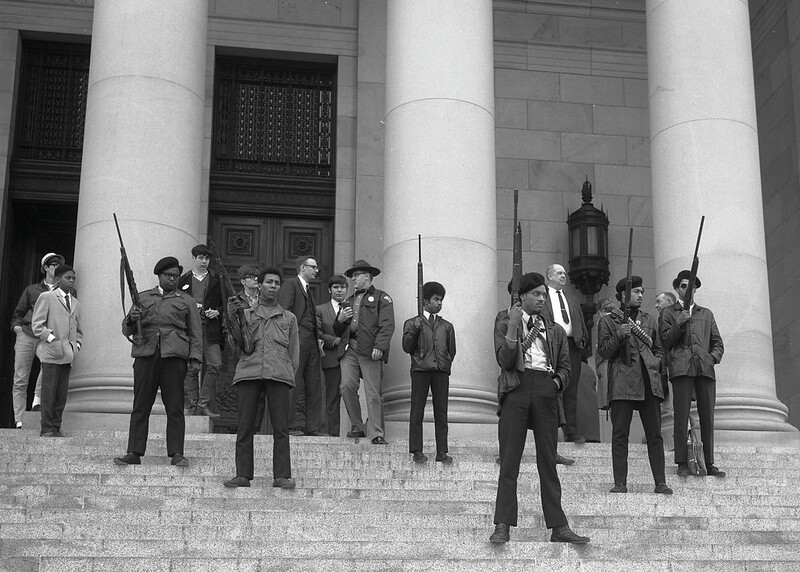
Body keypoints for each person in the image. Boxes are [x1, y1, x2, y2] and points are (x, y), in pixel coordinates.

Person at [489, 272, 589, 545]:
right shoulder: (504, 321)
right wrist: (512, 325)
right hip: (516, 387)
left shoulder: (554, 329)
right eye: (536, 294)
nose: (542, 299)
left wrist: (556, 383)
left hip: (546, 388)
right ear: (522, 296)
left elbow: (566, 367)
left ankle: (559, 526)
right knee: (509, 460)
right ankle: (502, 525)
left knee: (548, 460)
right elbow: (505, 359)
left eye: (544, 295)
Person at [113, 256, 202, 468]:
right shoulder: (142, 298)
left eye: (175, 276)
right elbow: (127, 330)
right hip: (147, 354)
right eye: (168, 276)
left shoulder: (186, 301)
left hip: (174, 356)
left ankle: (177, 453)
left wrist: (196, 358)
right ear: (159, 276)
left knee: (175, 407)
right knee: (141, 405)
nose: (172, 279)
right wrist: (132, 319)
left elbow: (196, 333)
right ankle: (134, 451)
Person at [223, 267, 299, 489]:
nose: (273, 286)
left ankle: (282, 476)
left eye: (277, 283)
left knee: (281, 429)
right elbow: (235, 346)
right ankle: (243, 475)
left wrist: (288, 374)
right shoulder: (245, 315)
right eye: (268, 282)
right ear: (259, 285)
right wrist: (231, 317)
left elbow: (294, 353)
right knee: (245, 426)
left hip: (279, 375)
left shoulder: (289, 318)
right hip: (250, 372)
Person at [597, 277, 672, 495]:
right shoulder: (609, 321)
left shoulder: (649, 320)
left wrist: (657, 362)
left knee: (655, 435)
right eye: (636, 291)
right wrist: (619, 336)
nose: (641, 295)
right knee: (620, 434)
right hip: (623, 381)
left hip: (649, 380)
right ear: (623, 295)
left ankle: (660, 482)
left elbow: (659, 349)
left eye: (642, 291)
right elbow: (603, 352)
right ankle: (620, 482)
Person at [660, 270, 725, 478]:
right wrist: (679, 322)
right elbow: (665, 342)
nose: (688, 289)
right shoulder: (668, 313)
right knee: (681, 416)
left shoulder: (706, 313)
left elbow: (718, 343)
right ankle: (681, 462)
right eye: (683, 286)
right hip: (681, 369)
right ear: (677, 288)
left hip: (704, 369)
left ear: (695, 289)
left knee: (708, 417)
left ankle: (709, 462)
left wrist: (711, 358)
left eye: (691, 286)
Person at [333, 259, 395, 445]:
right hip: (349, 347)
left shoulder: (381, 298)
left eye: (356, 275)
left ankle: (376, 432)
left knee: (373, 391)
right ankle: (358, 426)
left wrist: (380, 346)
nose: (353, 279)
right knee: (346, 386)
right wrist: (340, 320)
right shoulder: (348, 300)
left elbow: (387, 325)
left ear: (367, 277)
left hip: (370, 348)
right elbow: (337, 330)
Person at [402, 281, 456, 464]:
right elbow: (407, 347)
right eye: (436, 299)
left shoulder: (447, 326)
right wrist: (416, 329)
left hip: (440, 371)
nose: (439, 303)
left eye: (441, 300)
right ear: (425, 301)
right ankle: (417, 449)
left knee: (441, 412)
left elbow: (451, 350)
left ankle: (442, 451)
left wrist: (445, 363)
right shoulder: (412, 322)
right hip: (420, 369)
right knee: (417, 410)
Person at [10, 252, 65, 427]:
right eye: (53, 264)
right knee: (20, 378)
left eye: (59, 264)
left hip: (47, 337)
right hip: (26, 334)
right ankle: (19, 420)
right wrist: (17, 329)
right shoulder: (32, 289)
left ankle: (37, 401)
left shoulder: (63, 290)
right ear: (46, 268)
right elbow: (18, 313)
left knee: (47, 370)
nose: (56, 267)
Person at [30, 264, 82, 437]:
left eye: (73, 278)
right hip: (51, 353)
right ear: (58, 279)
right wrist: (52, 339)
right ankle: (47, 428)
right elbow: (37, 325)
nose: (72, 281)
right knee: (48, 393)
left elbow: (78, 330)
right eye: (68, 278)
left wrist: (77, 345)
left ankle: (56, 427)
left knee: (61, 395)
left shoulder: (76, 303)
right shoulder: (47, 297)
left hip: (68, 354)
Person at [278, 255, 325, 436]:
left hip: (312, 340)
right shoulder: (291, 284)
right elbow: (285, 312)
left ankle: (312, 427)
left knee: (314, 384)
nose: (316, 270)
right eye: (313, 267)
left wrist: (318, 336)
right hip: (298, 338)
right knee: (294, 381)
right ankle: (287, 425)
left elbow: (313, 317)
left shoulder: (308, 289)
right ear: (302, 267)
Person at [541, 263, 589, 444]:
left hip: (572, 345)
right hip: (551, 345)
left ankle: (571, 431)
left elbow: (580, 321)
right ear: (549, 276)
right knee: (551, 387)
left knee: (571, 389)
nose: (564, 276)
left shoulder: (572, 297)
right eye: (559, 273)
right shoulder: (543, 296)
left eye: (564, 273)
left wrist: (583, 339)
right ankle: (550, 431)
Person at [178, 244, 223, 418]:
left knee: (215, 364)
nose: (204, 261)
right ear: (194, 259)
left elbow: (224, 303)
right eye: (200, 258)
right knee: (192, 367)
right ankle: (192, 403)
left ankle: (203, 402)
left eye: (206, 258)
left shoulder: (216, 279)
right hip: (190, 329)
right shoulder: (183, 280)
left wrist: (217, 311)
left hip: (210, 328)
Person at [316, 274, 349, 436]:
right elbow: (318, 333)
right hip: (332, 359)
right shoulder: (320, 310)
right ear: (330, 290)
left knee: (351, 394)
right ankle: (333, 434)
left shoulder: (353, 308)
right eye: (336, 287)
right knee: (332, 398)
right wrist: (336, 341)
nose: (339, 290)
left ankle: (357, 428)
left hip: (352, 358)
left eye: (342, 287)